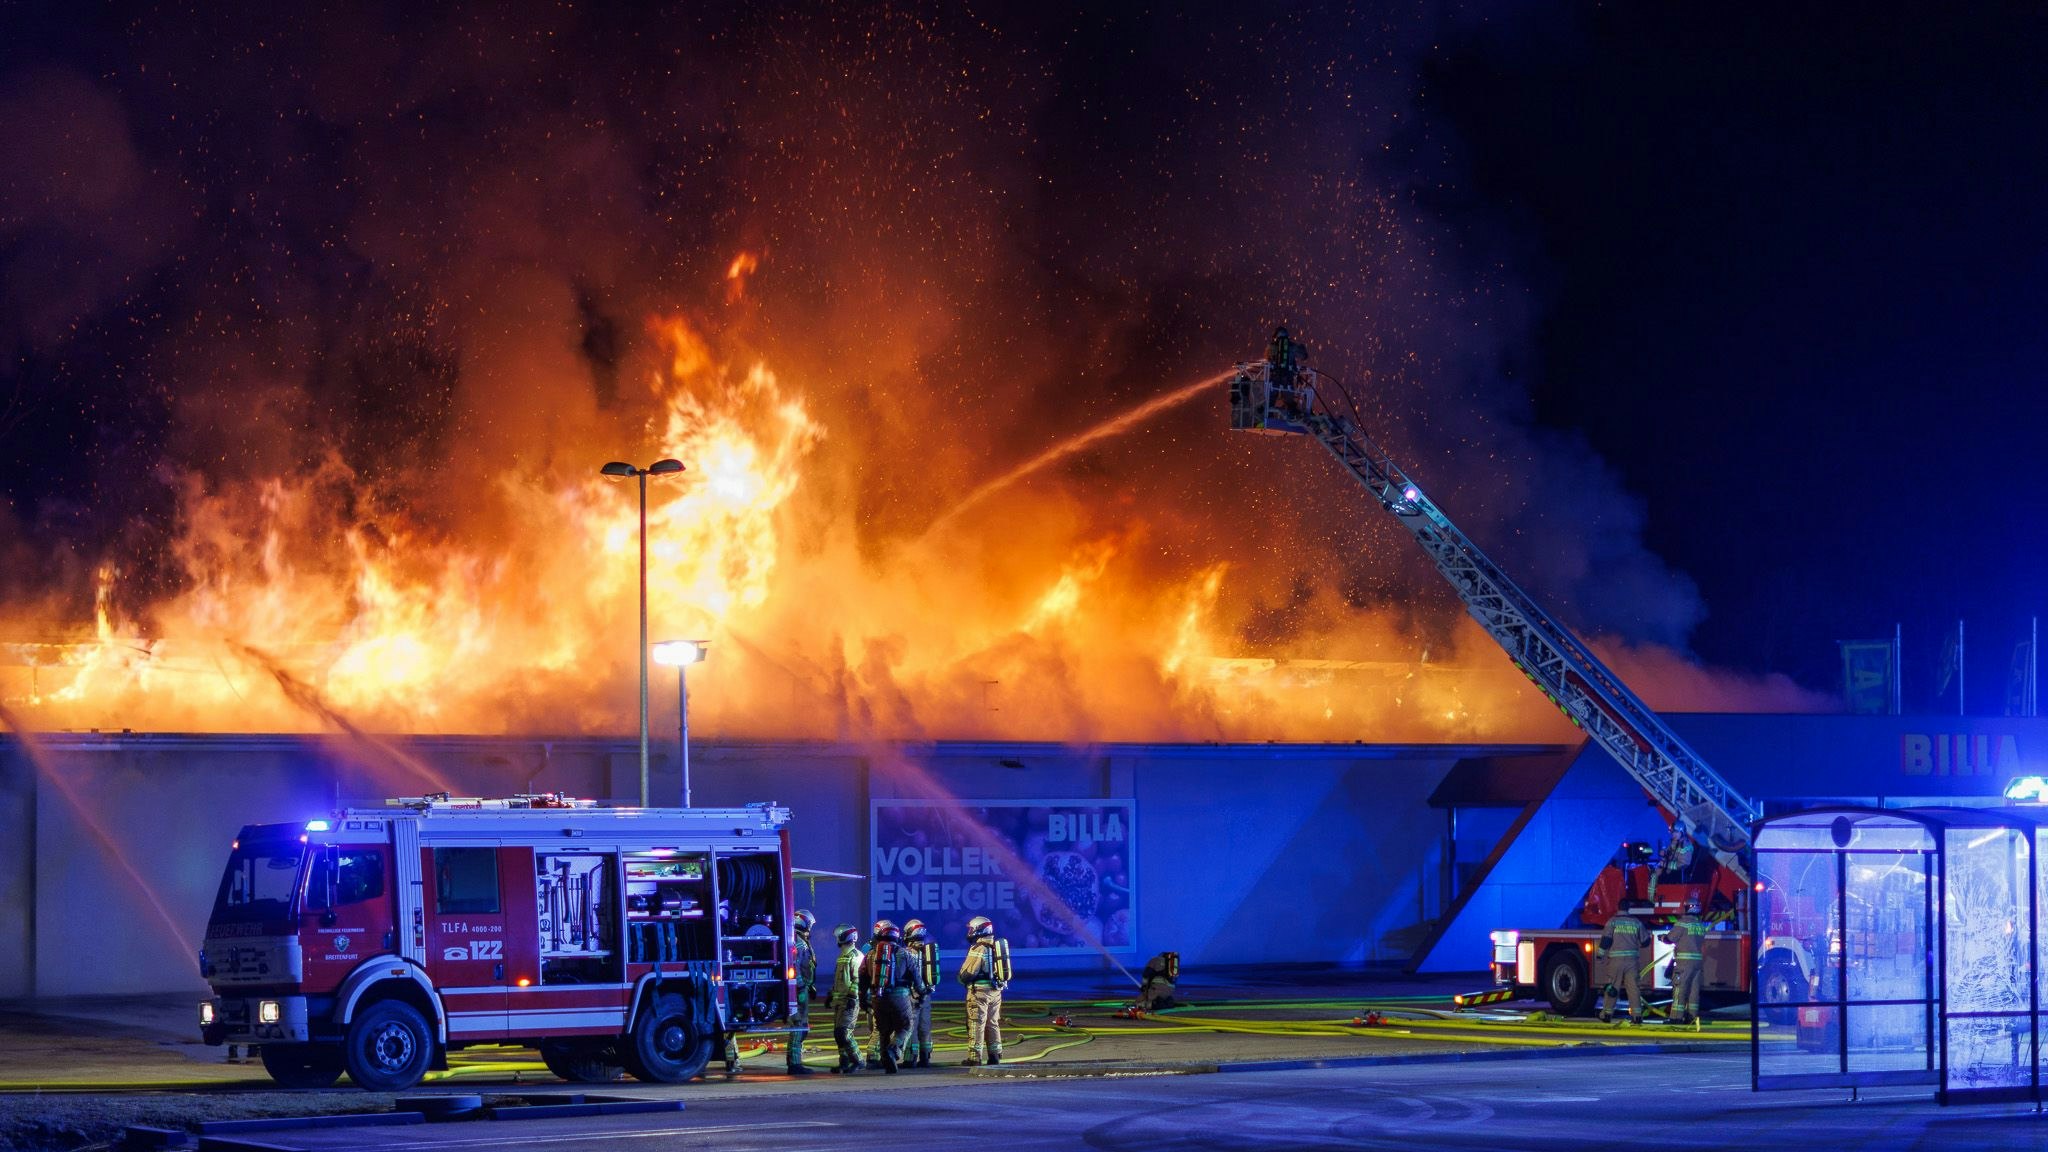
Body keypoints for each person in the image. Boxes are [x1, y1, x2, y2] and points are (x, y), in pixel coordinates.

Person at [860, 920, 928, 1073]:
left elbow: (862, 977)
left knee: (883, 1029)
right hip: (900, 997)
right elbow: (917, 979)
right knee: (905, 1025)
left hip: (878, 997)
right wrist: (922, 993)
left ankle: (885, 1059)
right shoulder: (904, 954)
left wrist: (863, 998)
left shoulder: (870, 955)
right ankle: (894, 1050)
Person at [957, 915, 1012, 1066]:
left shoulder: (978, 949)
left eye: (971, 929)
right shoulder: (996, 947)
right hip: (995, 991)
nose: (969, 932)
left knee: (976, 1023)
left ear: (978, 930)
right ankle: (995, 1055)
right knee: (992, 1022)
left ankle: (974, 1058)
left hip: (979, 992)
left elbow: (968, 972)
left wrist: (961, 979)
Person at [1597, 901, 1649, 1025]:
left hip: (1616, 961)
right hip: (1632, 961)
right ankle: (1637, 1016)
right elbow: (1646, 941)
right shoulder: (1636, 922)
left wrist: (1600, 954)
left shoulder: (1612, 921)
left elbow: (1606, 940)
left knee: (1613, 987)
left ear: (1618, 907)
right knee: (1633, 988)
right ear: (1629, 908)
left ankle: (1607, 1014)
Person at [1663, 898, 1708, 1025]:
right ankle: (1692, 1017)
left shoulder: (1682, 923)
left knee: (1680, 989)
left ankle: (1676, 1018)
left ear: (1687, 908)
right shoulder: (1700, 925)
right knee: (1694, 991)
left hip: (1684, 964)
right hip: (1697, 963)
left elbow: (1670, 939)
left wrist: (1662, 938)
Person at [828, 923, 866, 1073]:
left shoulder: (855, 956)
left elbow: (857, 979)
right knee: (838, 1034)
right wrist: (831, 994)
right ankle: (843, 1062)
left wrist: (852, 997)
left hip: (849, 1001)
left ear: (844, 937)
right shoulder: (843, 956)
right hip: (839, 1001)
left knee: (845, 1032)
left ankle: (858, 1060)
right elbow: (839, 980)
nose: (836, 939)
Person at [902, 919, 939, 1068]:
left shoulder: (905, 954)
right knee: (925, 1027)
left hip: (912, 995)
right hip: (927, 994)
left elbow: (902, 975)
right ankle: (925, 1057)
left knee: (911, 1027)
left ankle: (910, 1058)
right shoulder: (928, 953)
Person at [786, 910, 818, 1074]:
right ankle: (795, 1064)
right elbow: (797, 968)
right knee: (799, 1026)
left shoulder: (796, 940)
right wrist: (800, 989)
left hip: (802, 988)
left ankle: (794, 1061)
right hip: (799, 990)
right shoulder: (798, 943)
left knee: (800, 1026)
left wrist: (809, 986)